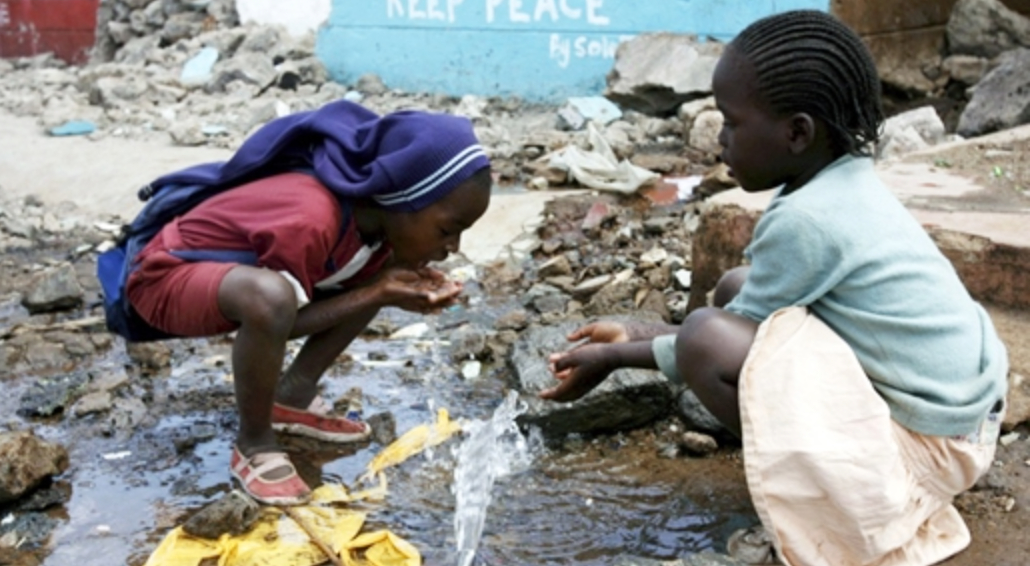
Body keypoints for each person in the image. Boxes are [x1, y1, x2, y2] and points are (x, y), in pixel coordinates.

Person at [540, 10, 1008, 566]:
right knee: (734, 290)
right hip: (969, 419)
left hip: (931, 448)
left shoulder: (806, 221)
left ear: (798, 132)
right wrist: (640, 334)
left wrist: (617, 355)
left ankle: (845, 507)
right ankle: (837, 478)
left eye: (731, 123)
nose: (720, 141)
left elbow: (709, 343)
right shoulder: (843, 176)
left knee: (706, 339)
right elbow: (748, 313)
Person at [125, 100, 492, 506]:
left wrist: (391, 286)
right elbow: (279, 320)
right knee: (275, 297)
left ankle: (292, 395)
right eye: (447, 230)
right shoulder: (311, 216)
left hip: (238, 285)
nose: (452, 248)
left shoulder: (373, 220)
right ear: (404, 197)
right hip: (162, 280)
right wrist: (378, 293)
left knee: (387, 273)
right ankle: (254, 441)